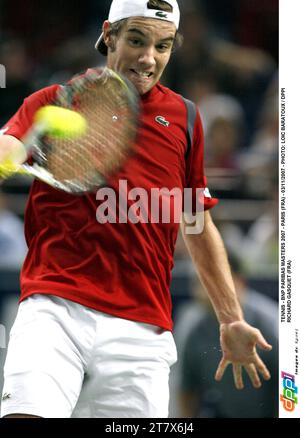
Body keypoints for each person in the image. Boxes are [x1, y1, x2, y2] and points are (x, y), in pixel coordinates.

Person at [0, 0, 272, 419]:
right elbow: (12, 142)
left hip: (142, 331)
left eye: (162, 46)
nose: (149, 58)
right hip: (55, 309)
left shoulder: (186, 119)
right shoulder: (54, 101)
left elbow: (196, 223)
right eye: (137, 40)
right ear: (109, 35)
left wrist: (230, 318)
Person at [172, 254, 278, 418]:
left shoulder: (273, 324)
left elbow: (292, 387)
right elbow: (187, 391)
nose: (203, 289)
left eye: (212, 280)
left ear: (239, 282)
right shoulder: (192, 328)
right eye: (198, 281)